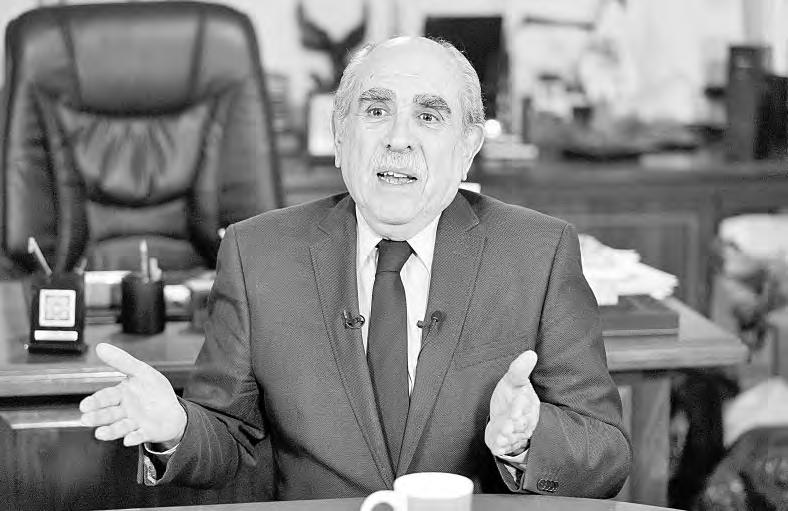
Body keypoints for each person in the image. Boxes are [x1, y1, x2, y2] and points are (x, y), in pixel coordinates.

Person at [80, 36, 631, 499]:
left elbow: (605, 455)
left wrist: (526, 439)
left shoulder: (537, 253)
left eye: (428, 116)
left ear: (468, 147)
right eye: (376, 111)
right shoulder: (258, 253)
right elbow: (229, 435)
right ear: (340, 135)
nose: (398, 138)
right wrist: (177, 428)